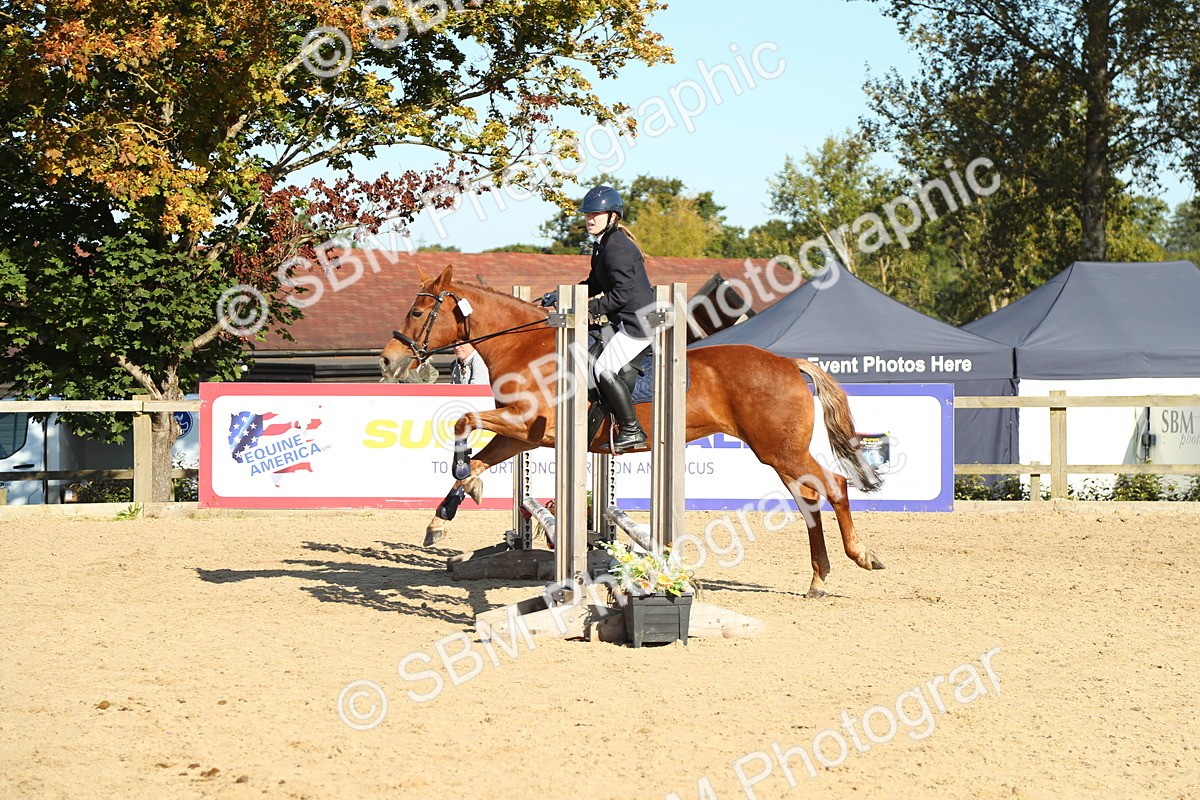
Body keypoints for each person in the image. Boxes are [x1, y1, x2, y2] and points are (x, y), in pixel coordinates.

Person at [542, 185, 653, 452]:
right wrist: (563, 294)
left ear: (613, 216)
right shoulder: (602, 244)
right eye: (587, 214)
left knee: (604, 369)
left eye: (596, 214)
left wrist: (590, 310)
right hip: (623, 322)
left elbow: (622, 293)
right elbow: (594, 282)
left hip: (638, 324)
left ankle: (632, 429)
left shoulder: (617, 247)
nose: (589, 219)